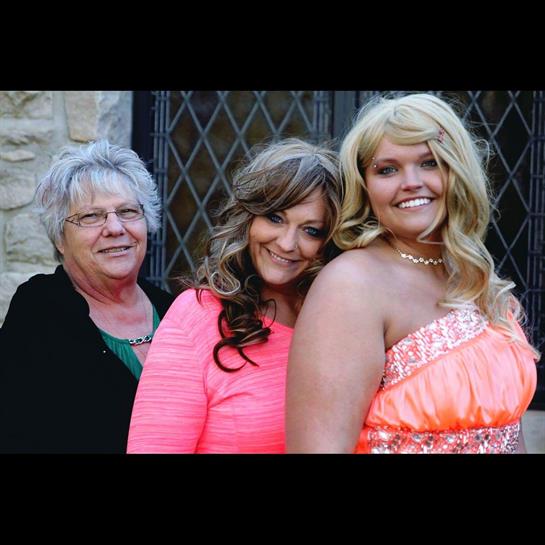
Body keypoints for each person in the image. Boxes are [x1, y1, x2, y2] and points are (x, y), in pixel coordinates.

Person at [286, 93, 540, 454]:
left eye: (429, 163)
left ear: (457, 169)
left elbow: (508, 430)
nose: (411, 182)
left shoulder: (476, 277)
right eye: (386, 169)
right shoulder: (352, 285)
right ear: (365, 186)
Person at [127, 138, 343, 453]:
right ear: (248, 218)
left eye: (311, 230)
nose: (286, 243)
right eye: (275, 218)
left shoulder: (340, 326)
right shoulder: (197, 316)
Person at [0, 140, 174, 453]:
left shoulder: (174, 311)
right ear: (60, 238)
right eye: (91, 216)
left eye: (127, 211)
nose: (115, 228)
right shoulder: (40, 311)